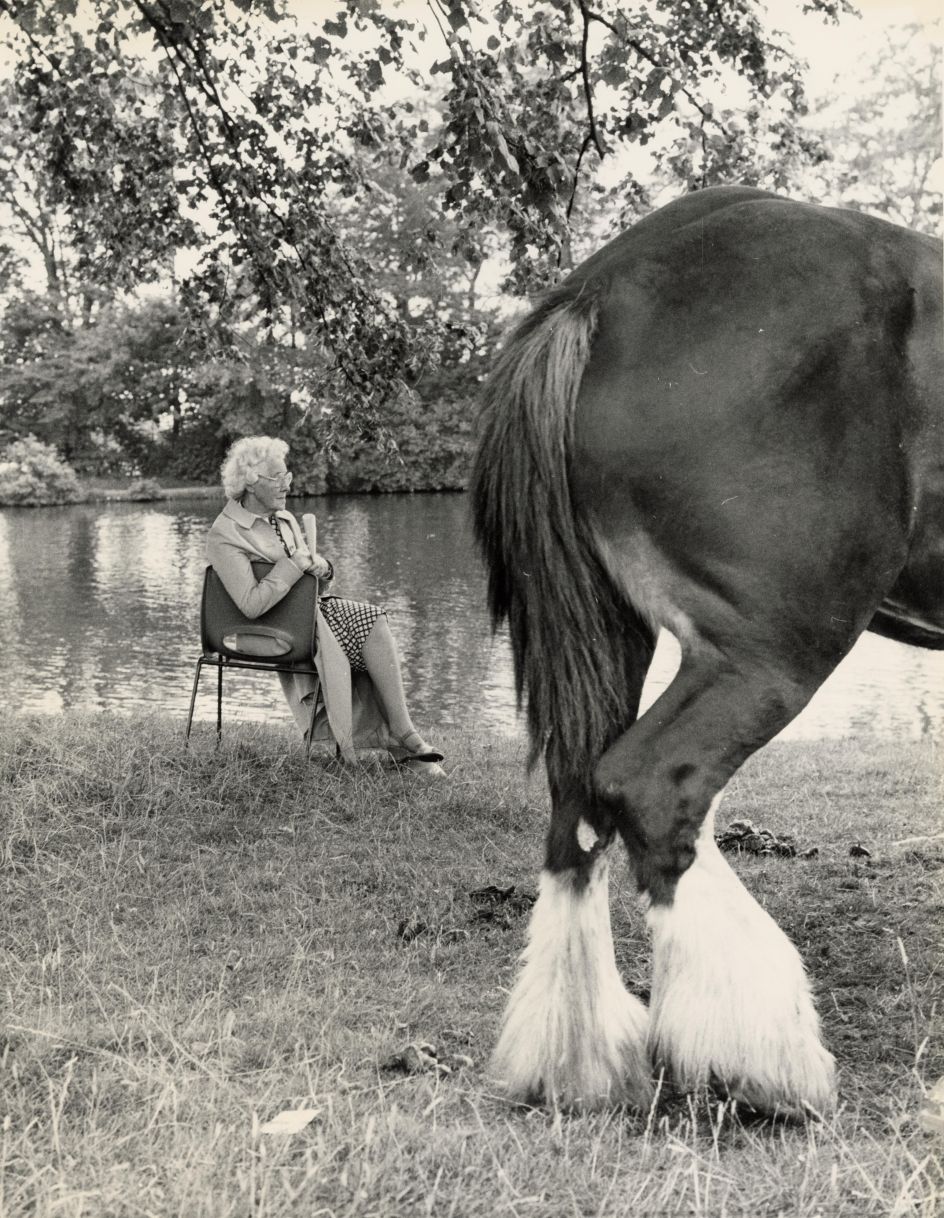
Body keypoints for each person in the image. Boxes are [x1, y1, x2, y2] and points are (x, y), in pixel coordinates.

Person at [206, 435, 445, 778]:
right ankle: (396, 741)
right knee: (363, 629)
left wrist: (323, 569)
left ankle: (403, 734)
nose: (287, 485)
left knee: (373, 619)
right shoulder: (225, 533)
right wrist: (293, 566)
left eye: (288, 477)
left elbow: (312, 587)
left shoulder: (285, 520)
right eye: (278, 478)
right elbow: (250, 605)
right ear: (251, 481)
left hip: (307, 616)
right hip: (267, 629)